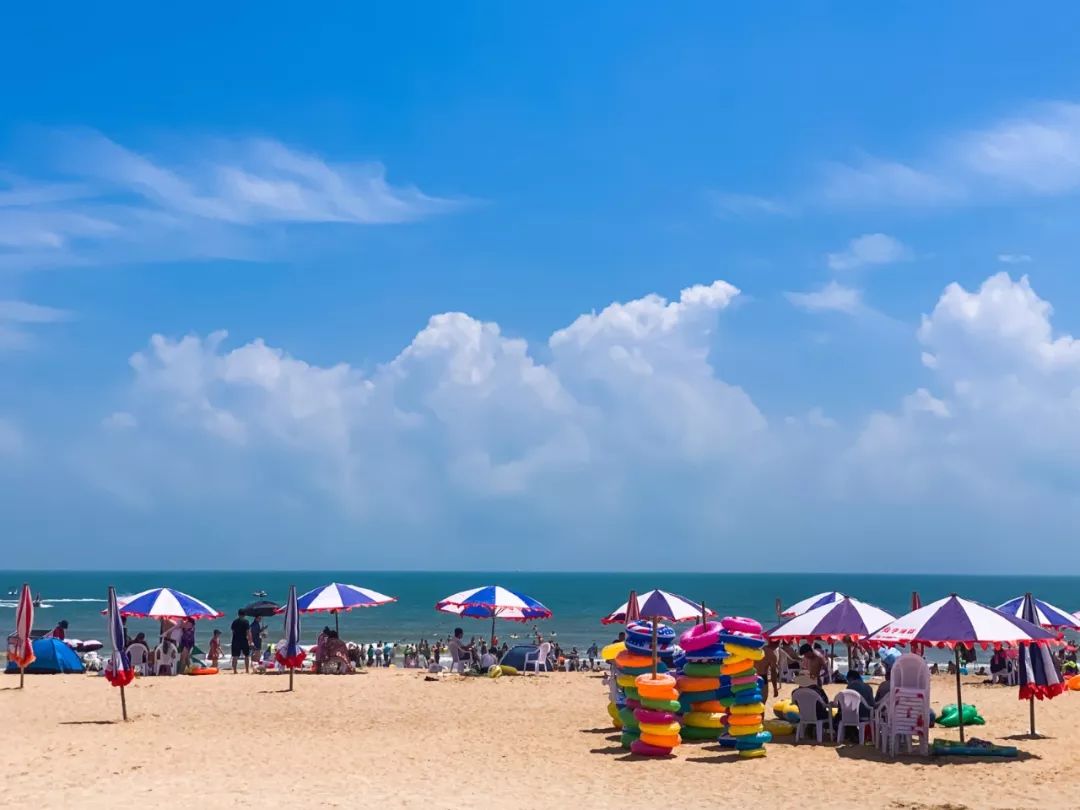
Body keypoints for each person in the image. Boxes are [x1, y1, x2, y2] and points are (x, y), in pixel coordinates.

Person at [230, 610, 252, 674]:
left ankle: (235, 671)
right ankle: (247, 670)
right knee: (246, 655)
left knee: (235, 656)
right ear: (244, 615)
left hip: (235, 640)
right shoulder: (246, 622)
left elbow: (233, 631)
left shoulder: (234, 622)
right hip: (244, 640)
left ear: (238, 614)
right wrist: (250, 641)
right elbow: (248, 632)